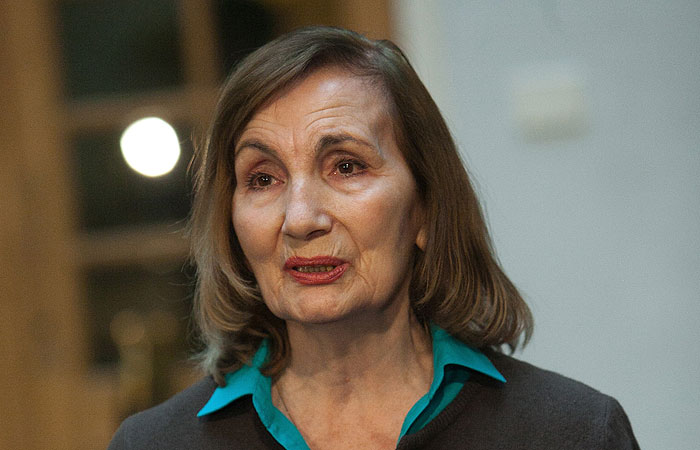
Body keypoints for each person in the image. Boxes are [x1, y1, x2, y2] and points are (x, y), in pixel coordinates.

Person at [108, 26, 639, 449]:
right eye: (263, 179)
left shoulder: (572, 433)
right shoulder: (153, 445)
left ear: (425, 207)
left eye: (346, 166)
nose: (300, 219)